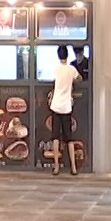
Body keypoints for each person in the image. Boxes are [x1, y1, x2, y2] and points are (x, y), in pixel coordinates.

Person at [49, 45, 80, 176]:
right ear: (67, 55)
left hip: (56, 106)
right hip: (67, 107)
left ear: (58, 56)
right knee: (69, 139)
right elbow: (79, 78)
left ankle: (56, 167)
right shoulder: (71, 69)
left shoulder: (56, 69)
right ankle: (73, 167)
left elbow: (53, 80)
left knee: (56, 138)